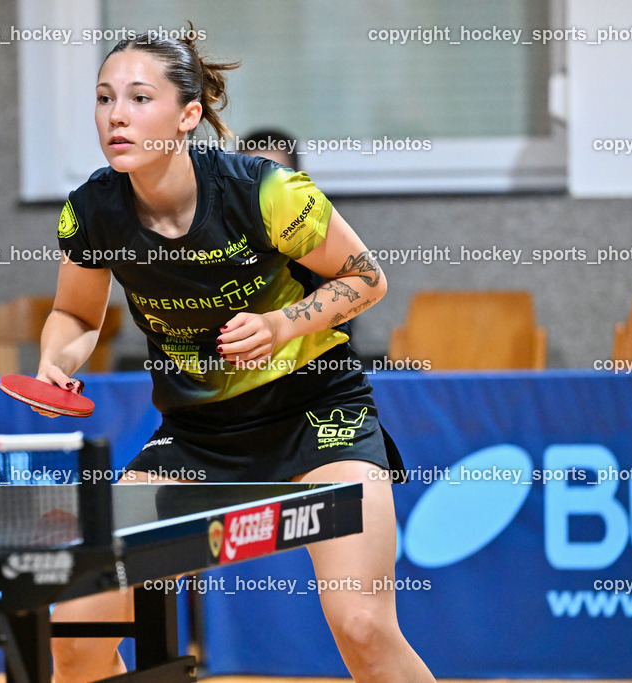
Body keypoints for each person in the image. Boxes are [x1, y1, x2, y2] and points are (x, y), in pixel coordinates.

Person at [36, 32, 435, 682]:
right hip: (198, 440)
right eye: (106, 98)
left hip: (318, 422)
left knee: (363, 626)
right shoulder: (93, 212)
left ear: (187, 115)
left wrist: (283, 323)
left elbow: (366, 277)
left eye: (140, 97)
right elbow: (77, 314)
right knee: (76, 631)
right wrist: (60, 356)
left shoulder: (267, 192)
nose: (116, 114)